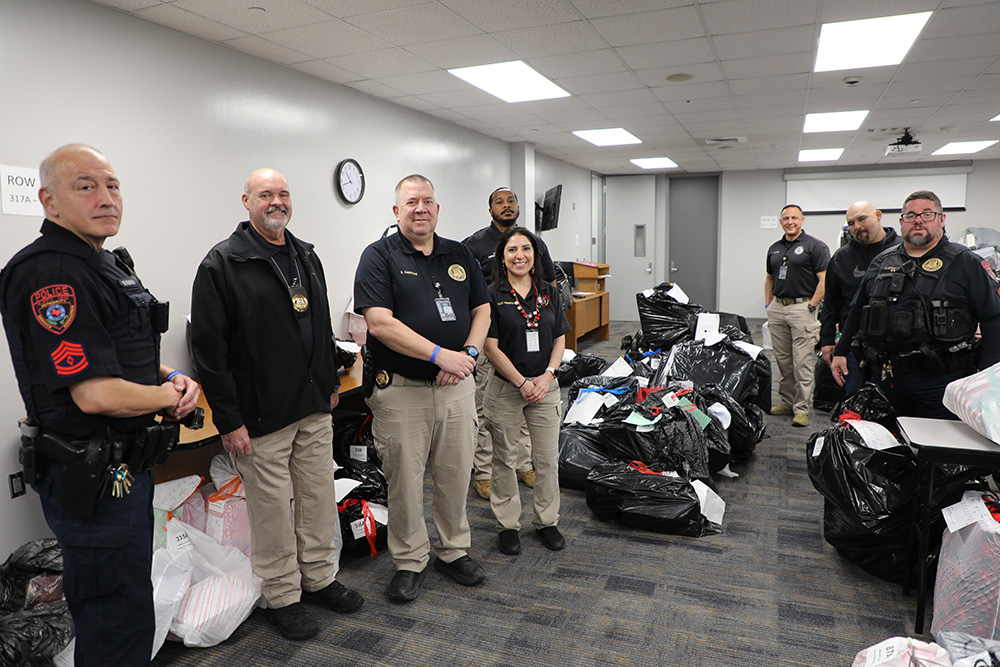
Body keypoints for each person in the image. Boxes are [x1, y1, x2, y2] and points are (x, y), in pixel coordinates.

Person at [0, 144, 200, 666]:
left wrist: (171, 376)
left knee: (128, 603)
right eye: (86, 186)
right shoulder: (53, 275)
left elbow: (118, 355)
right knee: (115, 615)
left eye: (112, 185)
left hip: (122, 467)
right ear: (49, 201)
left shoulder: (100, 264)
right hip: (93, 475)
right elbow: (94, 392)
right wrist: (168, 398)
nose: (106, 197)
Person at [190, 168, 362, 641]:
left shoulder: (305, 255)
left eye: (283, 193)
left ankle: (320, 578)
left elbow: (321, 324)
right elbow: (209, 351)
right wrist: (228, 419)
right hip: (261, 415)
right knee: (269, 512)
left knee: (317, 500)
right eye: (266, 194)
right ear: (246, 201)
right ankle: (283, 596)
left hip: (311, 405)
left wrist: (329, 381)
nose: (276, 201)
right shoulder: (223, 264)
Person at [354, 174, 490, 603]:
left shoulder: (459, 253)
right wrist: (440, 356)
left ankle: (453, 550)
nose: (420, 208)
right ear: (396, 211)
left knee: (455, 474)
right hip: (402, 391)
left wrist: (466, 353)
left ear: (437, 208)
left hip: (456, 388)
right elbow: (379, 323)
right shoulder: (379, 256)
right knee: (405, 482)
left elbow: (482, 309)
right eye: (411, 202)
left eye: (428, 201)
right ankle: (410, 559)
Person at [832, 190, 1000, 418]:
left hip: (942, 381)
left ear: (941, 219)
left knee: (937, 447)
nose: (918, 220)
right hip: (884, 379)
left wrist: (987, 378)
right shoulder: (881, 262)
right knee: (887, 446)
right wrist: (840, 352)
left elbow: (993, 318)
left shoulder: (966, 262)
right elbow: (857, 310)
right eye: (910, 215)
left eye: (927, 214)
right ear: (902, 222)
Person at [462, 187, 557, 499]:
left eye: (511, 201)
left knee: (532, 405)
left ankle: (523, 463)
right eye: (499, 202)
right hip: (493, 338)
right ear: (490, 210)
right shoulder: (474, 244)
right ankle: (485, 472)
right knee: (489, 414)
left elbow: (550, 284)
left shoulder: (535, 242)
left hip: (529, 339)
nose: (506, 206)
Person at [483, 226, 570, 555]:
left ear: (535, 256)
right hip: (507, 387)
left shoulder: (548, 291)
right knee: (504, 460)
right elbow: (490, 346)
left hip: (545, 387)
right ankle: (507, 524)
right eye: (512, 250)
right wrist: (521, 381)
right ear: (502, 258)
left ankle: (547, 521)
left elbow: (560, 337)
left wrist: (548, 376)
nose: (519, 255)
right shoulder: (492, 293)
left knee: (547, 460)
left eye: (526, 249)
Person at [819, 201, 899, 396]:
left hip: (895, 344)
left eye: (862, 219)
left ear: (878, 215)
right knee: (854, 399)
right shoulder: (842, 257)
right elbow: (831, 303)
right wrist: (827, 339)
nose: (857, 227)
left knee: (894, 401)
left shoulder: (902, 250)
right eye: (851, 223)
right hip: (853, 343)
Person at [764, 204, 830, 427]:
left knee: (801, 362)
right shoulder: (774, 248)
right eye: (785, 218)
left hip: (802, 308)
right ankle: (786, 401)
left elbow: (824, 281)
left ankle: (801, 409)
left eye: (794, 217)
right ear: (780, 221)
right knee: (783, 361)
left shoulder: (815, 246)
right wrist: (768, 303)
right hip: (778, 308)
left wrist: (812, 306)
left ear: (802, 220)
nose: (789, 221)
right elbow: (769, 278)